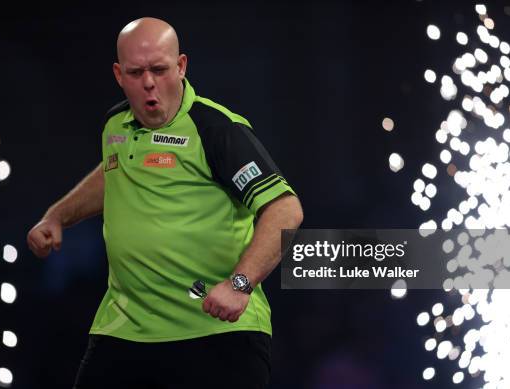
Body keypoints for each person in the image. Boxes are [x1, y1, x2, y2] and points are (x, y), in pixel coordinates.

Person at [27, 17, 303, 389]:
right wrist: (57, 216)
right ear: (118, 74)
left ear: (182, 66)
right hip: (124, 331)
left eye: (159, 69)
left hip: (216, 334)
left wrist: (240, 284)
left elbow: (285, 209)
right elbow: (113, 175)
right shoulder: (115, 127)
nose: (149, 83)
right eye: (136, 72)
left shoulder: (215, 128)